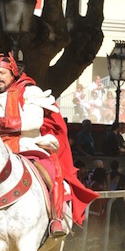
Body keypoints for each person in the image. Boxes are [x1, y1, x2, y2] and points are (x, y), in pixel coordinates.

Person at [0, 52, 98, 237]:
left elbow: (33, 122)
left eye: (2, 73)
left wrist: (2, 123)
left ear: (13, 72)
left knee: (51, 173)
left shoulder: (30, 92)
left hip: (26, 147)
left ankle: (55, 219)